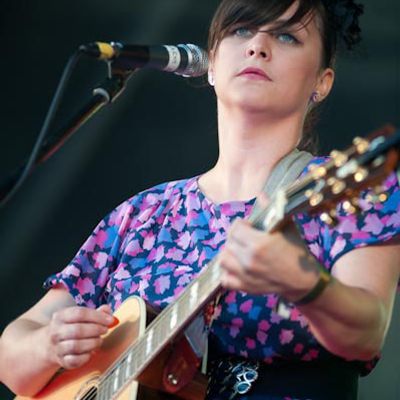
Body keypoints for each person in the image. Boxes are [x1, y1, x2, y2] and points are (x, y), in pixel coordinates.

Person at [1, 0, 399, 399]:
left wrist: (303, 283)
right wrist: (48, 345)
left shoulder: (351, 191)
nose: (258, 46)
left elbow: (365, 335)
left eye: (285, 36)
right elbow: (10, 355)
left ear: (322, 82)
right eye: (241, 30)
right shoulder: (143, 214)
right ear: (210, 65)